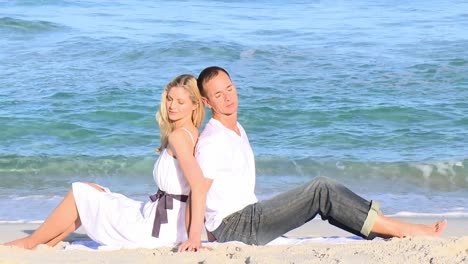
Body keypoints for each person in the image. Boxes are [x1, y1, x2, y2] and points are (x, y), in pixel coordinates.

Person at [191, 66, 448, 246]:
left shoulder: (236, 129)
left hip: (247, 217)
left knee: (323, 195)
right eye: (218, 95)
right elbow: (199, 191)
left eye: (230, 88)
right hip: (237, 226)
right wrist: (201, 237)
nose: (228, 98)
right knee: (321, 190)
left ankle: (385, 231)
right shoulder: (212, 140)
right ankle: (403, 230)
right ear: (206, 102)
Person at [4, 74, 207, 250]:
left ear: (195, 105)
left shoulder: (178, 137)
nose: (172, 106)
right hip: (170, 223)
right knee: (94, 191)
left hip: (158, 228)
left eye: (180, 102)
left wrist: (195, 238)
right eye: (170, 99)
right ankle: (42, 245)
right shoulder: (192, 133)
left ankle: (31, 243)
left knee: (80, 192)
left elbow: (198, 186)